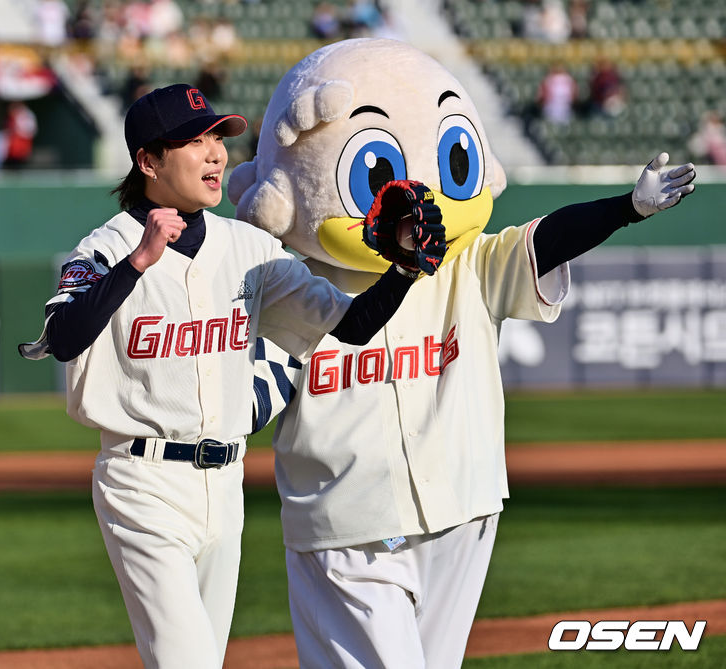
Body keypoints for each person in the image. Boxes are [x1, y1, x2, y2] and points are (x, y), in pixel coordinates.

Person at [232, 39, 697, 669]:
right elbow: (339, 333)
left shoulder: (469, 264)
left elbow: (543, 239)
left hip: (463, 507)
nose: (412, 199)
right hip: (349, 523)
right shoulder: (283, 281)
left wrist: (628, 208)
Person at [17, 83, 444, 668]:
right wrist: (139, 262)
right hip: (142, 482)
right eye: (197, 140)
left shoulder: (247, 247)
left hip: (226, 485)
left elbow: (349, 325)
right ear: (148, 161)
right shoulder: (106, 247)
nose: (217, 153)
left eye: (219, 138)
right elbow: (65, 337)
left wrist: (401, 268)